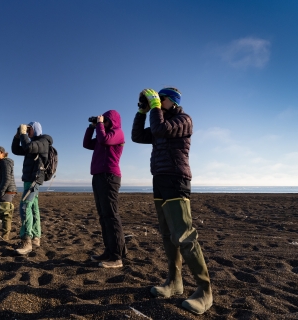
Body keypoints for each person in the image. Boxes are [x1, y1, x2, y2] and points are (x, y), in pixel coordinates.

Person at [131, 87, 213, 315]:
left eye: (161, 98)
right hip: (160, 179)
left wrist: (155, 107)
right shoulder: (161, 121)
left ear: (173, 101)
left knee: (184, 235)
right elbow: (137, 136)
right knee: (167, 235)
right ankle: (174, 281)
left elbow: (159, 128)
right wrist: (141, 110)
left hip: (177, 180)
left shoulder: (183, 120)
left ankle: (205, 291)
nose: (157, 102)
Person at [83, 110, 126, 268]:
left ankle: (116, 256)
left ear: (112, 121)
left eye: (106, 120)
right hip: (98, 176)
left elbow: (105, 140)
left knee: (111, 215)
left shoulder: (117, 133)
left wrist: (100, 125)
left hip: (110, 176)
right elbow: (87, 144)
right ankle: (109, 252)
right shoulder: (102, 135)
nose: (103, 122)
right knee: (103, 216)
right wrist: (92, 127)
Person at [11, 122, 53, 255]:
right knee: (33, 207)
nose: (27, 131)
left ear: (34, 130)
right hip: (29, 179)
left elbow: (28, 147)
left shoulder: (43, 142)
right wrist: (18, 136)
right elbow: (16, 150)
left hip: (35, 179)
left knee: (24, 206)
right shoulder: (33, 143)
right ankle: (36, 237)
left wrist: (24, 134)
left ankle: (26, 240)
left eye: (29, 129)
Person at [0, 146, 17, 241]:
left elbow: (7, 178)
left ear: (3, 153)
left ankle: (5, 237)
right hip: (5, 191)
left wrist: (1, 191)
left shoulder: (5, 163)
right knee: (3, 214)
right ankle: (4, 235)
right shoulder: (2, 163)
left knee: (6, 214)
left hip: (7, 191)